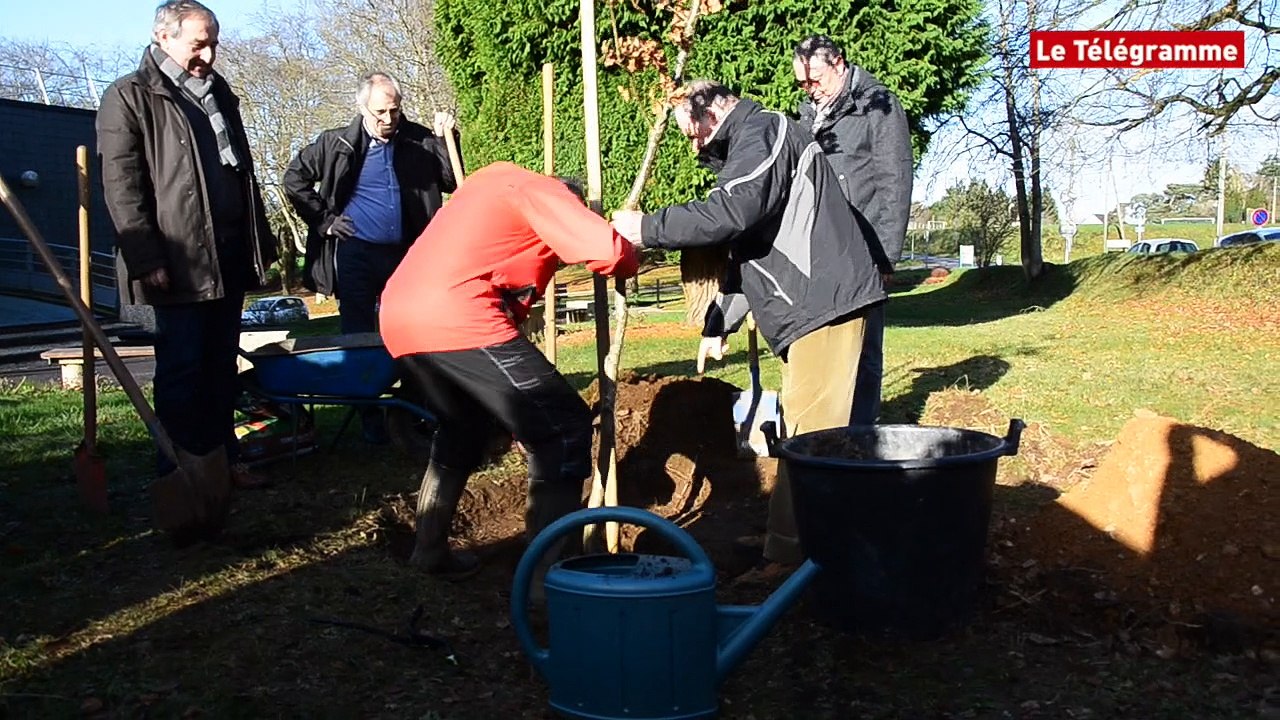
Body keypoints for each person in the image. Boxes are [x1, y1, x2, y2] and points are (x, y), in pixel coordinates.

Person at [610, 81, 886, 573]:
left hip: (824, 304)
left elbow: (733, 212)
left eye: (689, 133)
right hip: (816, 304)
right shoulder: (749, 146)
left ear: (708, 111)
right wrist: (721, 322)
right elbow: (751, 246)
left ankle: (789, 563)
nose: (692, 146)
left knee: (810, 439)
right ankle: (814, 543)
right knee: (828, 435)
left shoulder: (766, 129)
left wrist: (645, 227)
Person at [379, 162, 638, 578]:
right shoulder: (540, 191)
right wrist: (631, 247)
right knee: (561, 428)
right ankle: (549, 581)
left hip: (399, 315)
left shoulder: (485, 188)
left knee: (462, 428)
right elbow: (608, 251)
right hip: (457, 316)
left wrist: (518, 418)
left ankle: (428, 552)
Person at [97, 0, 278, 498]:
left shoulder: (218, 94)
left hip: (227, 255)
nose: (209, 56)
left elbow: (240, 178)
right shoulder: (129, 97)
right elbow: (122, 187)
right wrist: (146, 257)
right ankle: (178, 473)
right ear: (163, 38)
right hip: (176, 262)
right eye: (199, 44)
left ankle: (225, 461)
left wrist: (260, 244)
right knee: (182, 369)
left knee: (221, 365)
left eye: (214, 44)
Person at [283, 72, 461, 444]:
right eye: (380, 112)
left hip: (407, 254)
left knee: (415, 330)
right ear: (362, 107)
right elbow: (294, 179)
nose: (388, 119)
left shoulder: (417, 139)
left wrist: (448, 139)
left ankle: (413, 409)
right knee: (359, 336)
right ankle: (370, 418)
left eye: (394, 110)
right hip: (357, 255)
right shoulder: (336, 144)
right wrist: (325, 221)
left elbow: (449, 180)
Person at [793, 35, 914, 425]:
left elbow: (895, 181)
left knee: (864, 348)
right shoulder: (809, 115)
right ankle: (830, 428)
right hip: (820, 247)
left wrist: (885, 255)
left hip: (864, 246)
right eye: (802, 82)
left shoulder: (877, 105)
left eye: (815, 78)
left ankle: (861, 432)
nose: (809, 88)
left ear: (839, 64)